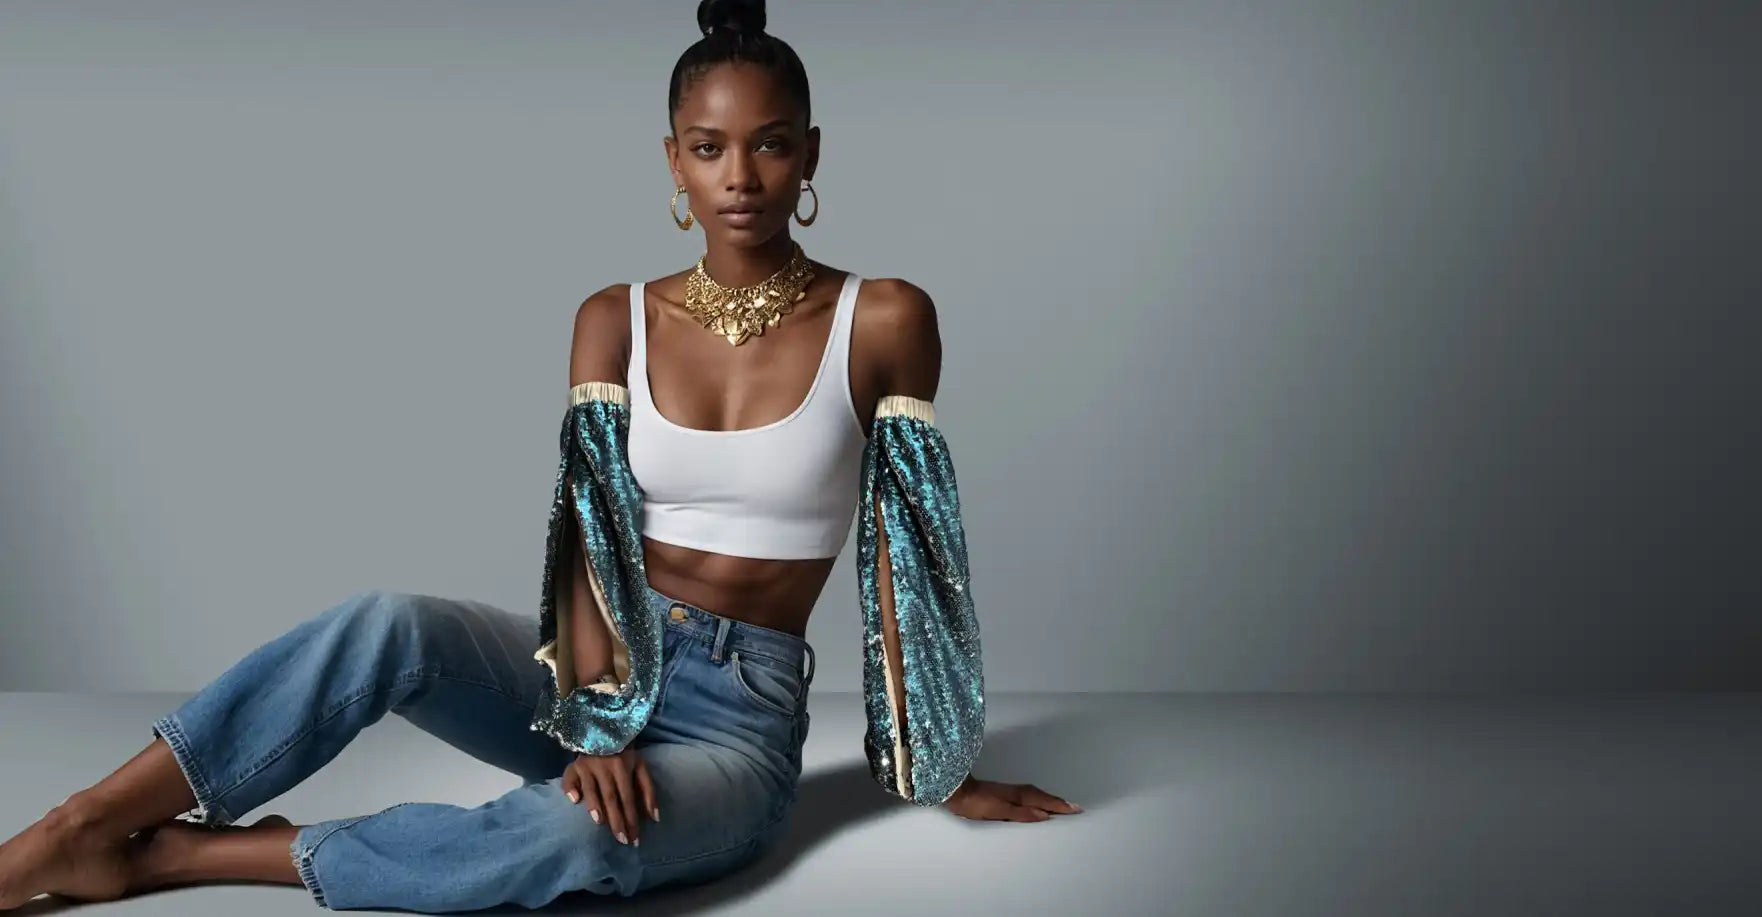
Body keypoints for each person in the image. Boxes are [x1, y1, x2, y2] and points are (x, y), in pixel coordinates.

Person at [0, 1, 1077, 911]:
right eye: (708, 147)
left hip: (737, 722)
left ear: (811, 154)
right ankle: (83, 824)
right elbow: (590, 527)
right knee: (386, 622)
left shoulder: (882, 318)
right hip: (599, 662)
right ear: (673, 160)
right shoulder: (615, 317)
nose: (739, 176)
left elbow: (906, 554)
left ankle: (188, 856)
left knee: (574, 837)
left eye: (770, 143)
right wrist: (597, 718)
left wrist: (940, 765)